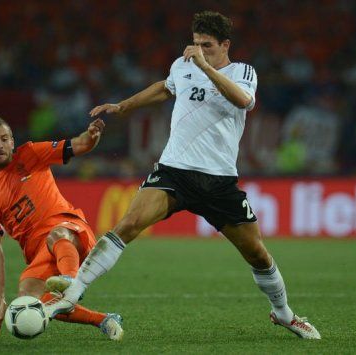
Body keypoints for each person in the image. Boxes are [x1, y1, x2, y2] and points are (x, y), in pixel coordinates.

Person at [45, 11, 321, 340]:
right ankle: (72, 295)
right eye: (197, 44)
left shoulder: (242, 72)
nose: (200, 50)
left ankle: (284, 313)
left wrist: (205, 67)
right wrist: (124, 106)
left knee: (257, 254)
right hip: (174, 171)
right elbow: (165, 88)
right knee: (128, 225)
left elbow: (244, 101)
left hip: (218, 180)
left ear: (225, 44)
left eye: (208, 46)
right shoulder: (183, 65)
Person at [0, 114, 123, 340]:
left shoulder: (31, 154)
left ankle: (71, 281)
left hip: (70, 230)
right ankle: (104, 320)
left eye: (4, 139)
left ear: (12, 142)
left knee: (57, 234)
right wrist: (0, 300)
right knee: (30, 302)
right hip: (40, 254)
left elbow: (80, 144)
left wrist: (91, 136)